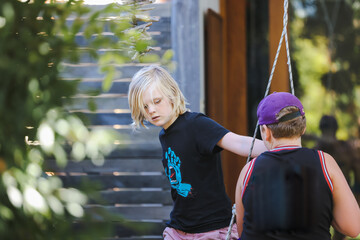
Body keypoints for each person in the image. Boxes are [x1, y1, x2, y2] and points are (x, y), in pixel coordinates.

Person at [128, 65, 267, 240]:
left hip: (212, 228)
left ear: (172, 95)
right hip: (179, 228)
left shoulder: (196, 124)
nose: (151, 110)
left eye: (157, 101)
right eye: (145, 106)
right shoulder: (165, 134)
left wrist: (280, 146)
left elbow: (238, 142)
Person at [235, 92, 360, 240]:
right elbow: (353, 228)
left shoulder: (248, 171)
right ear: (303, 128)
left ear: (266, 132)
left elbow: (242, 230)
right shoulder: (325, 163)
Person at [315, 115, 360, 240]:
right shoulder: (315, 151)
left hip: (341, 195)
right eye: (325, 128)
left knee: (341, 233)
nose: (328, 132)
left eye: (329, 128)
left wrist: (356, 195)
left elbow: (357, 172)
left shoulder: (346, 149)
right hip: (320, 196)